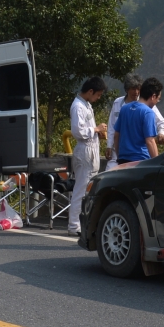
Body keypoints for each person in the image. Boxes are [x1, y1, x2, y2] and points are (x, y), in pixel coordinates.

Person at [68, 76, 106, 236]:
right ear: (90, 91)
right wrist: (96, 129)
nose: (98, 98)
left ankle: (84, 223)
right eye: (98, 95)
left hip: (91, 150)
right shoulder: (78, 106)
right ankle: (74, 225)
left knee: (89, 190)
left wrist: (98, 132)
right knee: (81, 189)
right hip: (84, 151)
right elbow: (78, 132)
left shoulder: (87, 105)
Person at [113, 78, 163, 164]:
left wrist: (119, 157)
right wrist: (157, 163)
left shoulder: (124, 108)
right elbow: (150, 141)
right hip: (140, 160)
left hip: (123, 159)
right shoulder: (148, 112)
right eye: (158, 99)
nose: (157, 102)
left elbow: (116, 136)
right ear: (153, 96)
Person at [105, 72, 141, 170]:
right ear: (127, 89)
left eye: (138, 89)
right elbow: (111, 125)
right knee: (109, 173)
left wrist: (161, 132)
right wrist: (109, 145)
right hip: (117, 150)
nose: (136, 92)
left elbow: (160, 121)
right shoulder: (117, 103)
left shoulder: (143, 105)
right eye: (133, 89)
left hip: (134, 152)